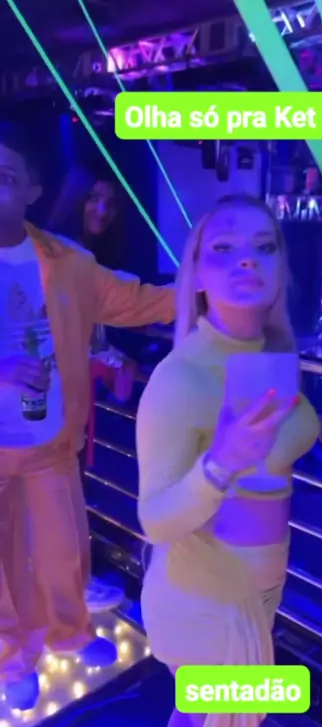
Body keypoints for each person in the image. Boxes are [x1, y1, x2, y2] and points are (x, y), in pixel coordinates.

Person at [136, 194, 322, 727]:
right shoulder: (180, 379)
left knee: (201, 711)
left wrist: (305, 426)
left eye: (263, 246)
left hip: (257, 590)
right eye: (223, 248)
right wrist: (219, 465)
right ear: (196, 273)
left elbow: (282, 441)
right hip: (203, 601)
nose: (246, 259)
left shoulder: (271, 359)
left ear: (280, 268)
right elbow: (154, 519)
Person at [0, 122, 175, 712]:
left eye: (4, 177)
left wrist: (204, 285)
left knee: (64, 546)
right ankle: (11, 657)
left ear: (33, 190)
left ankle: (69, 633)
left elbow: (135, 300)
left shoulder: (67, 261)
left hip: (50, 440)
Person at [47, 165, 135, 613]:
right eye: (93, 199)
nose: (102, 210)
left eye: (111, 203)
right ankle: (68, 587)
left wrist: (115, 357)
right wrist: (113, 359)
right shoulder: (59, 254)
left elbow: (91, 336)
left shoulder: (85, 257)